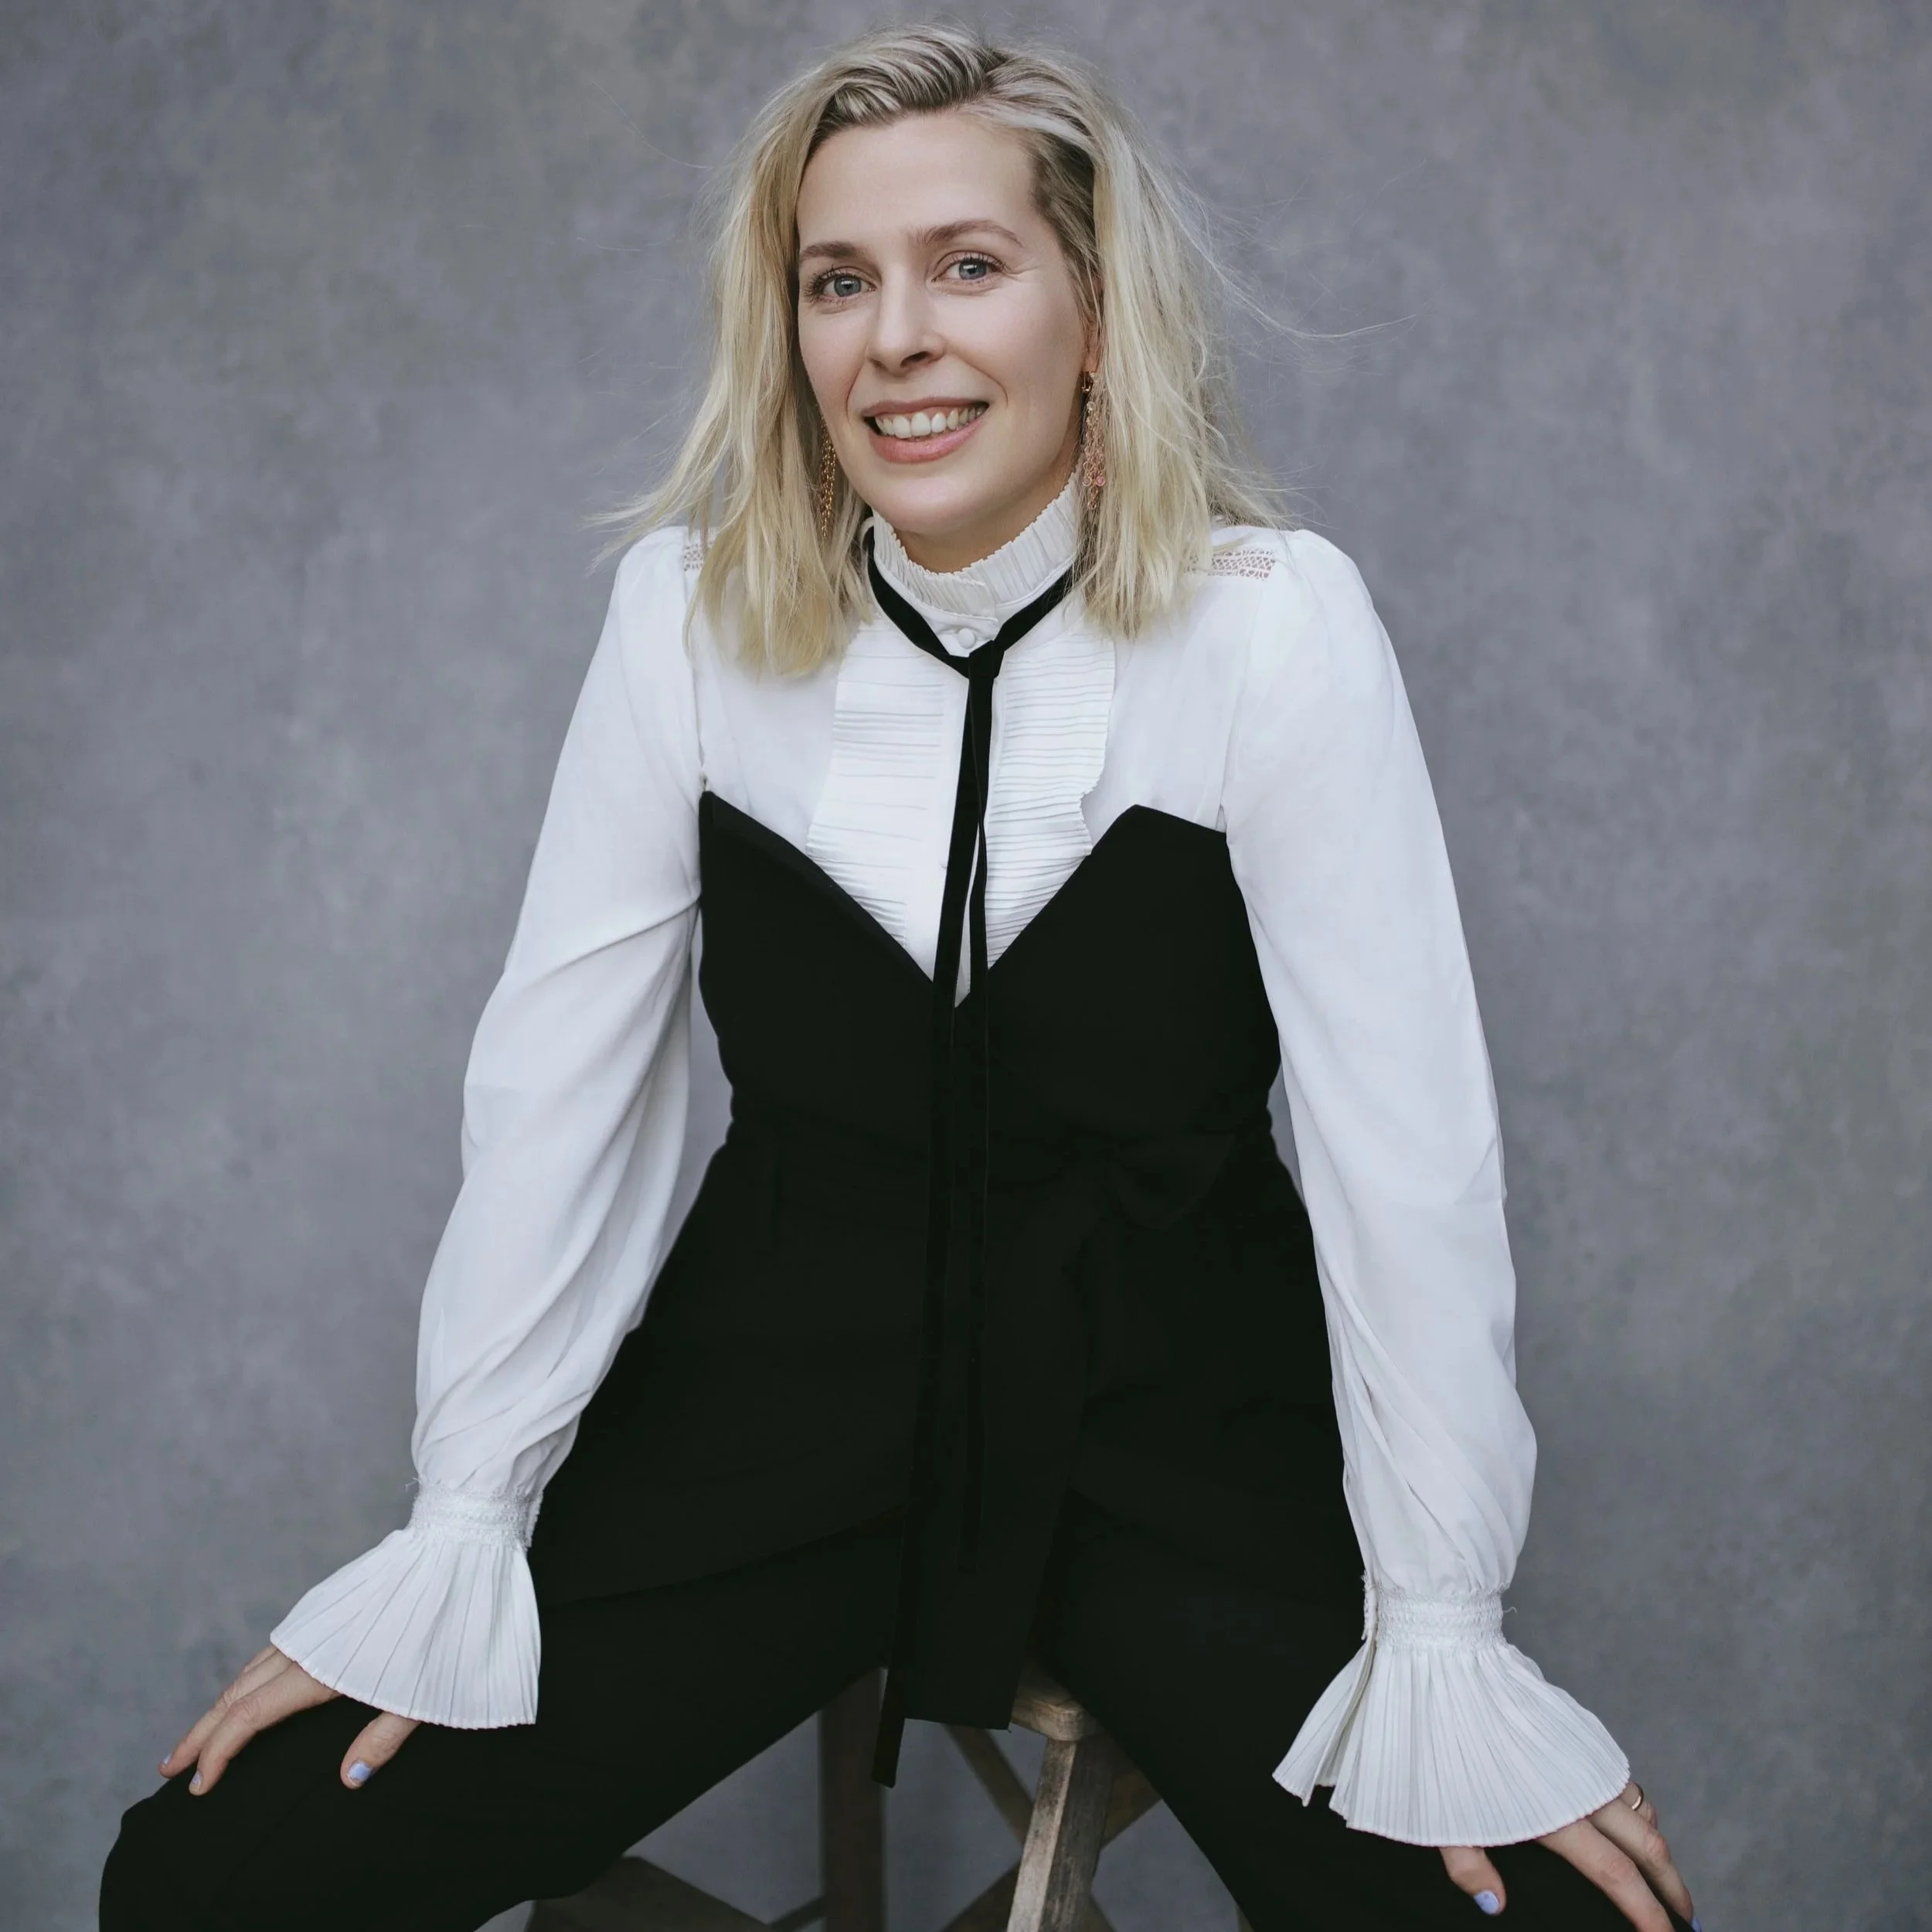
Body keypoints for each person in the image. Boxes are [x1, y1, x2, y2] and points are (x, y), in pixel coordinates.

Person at [100, 27, 1700, 1932]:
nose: (895, 338)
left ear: (1092, 310)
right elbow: (559, 1100)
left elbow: (1405, 1161)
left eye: (967, 264)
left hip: (1177, 1436)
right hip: (767, 1424)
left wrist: (1439, 1622)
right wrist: (461, 1530)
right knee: (221, 1876)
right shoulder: (682, 624)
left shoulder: (1276, 633)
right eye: (836, 281)